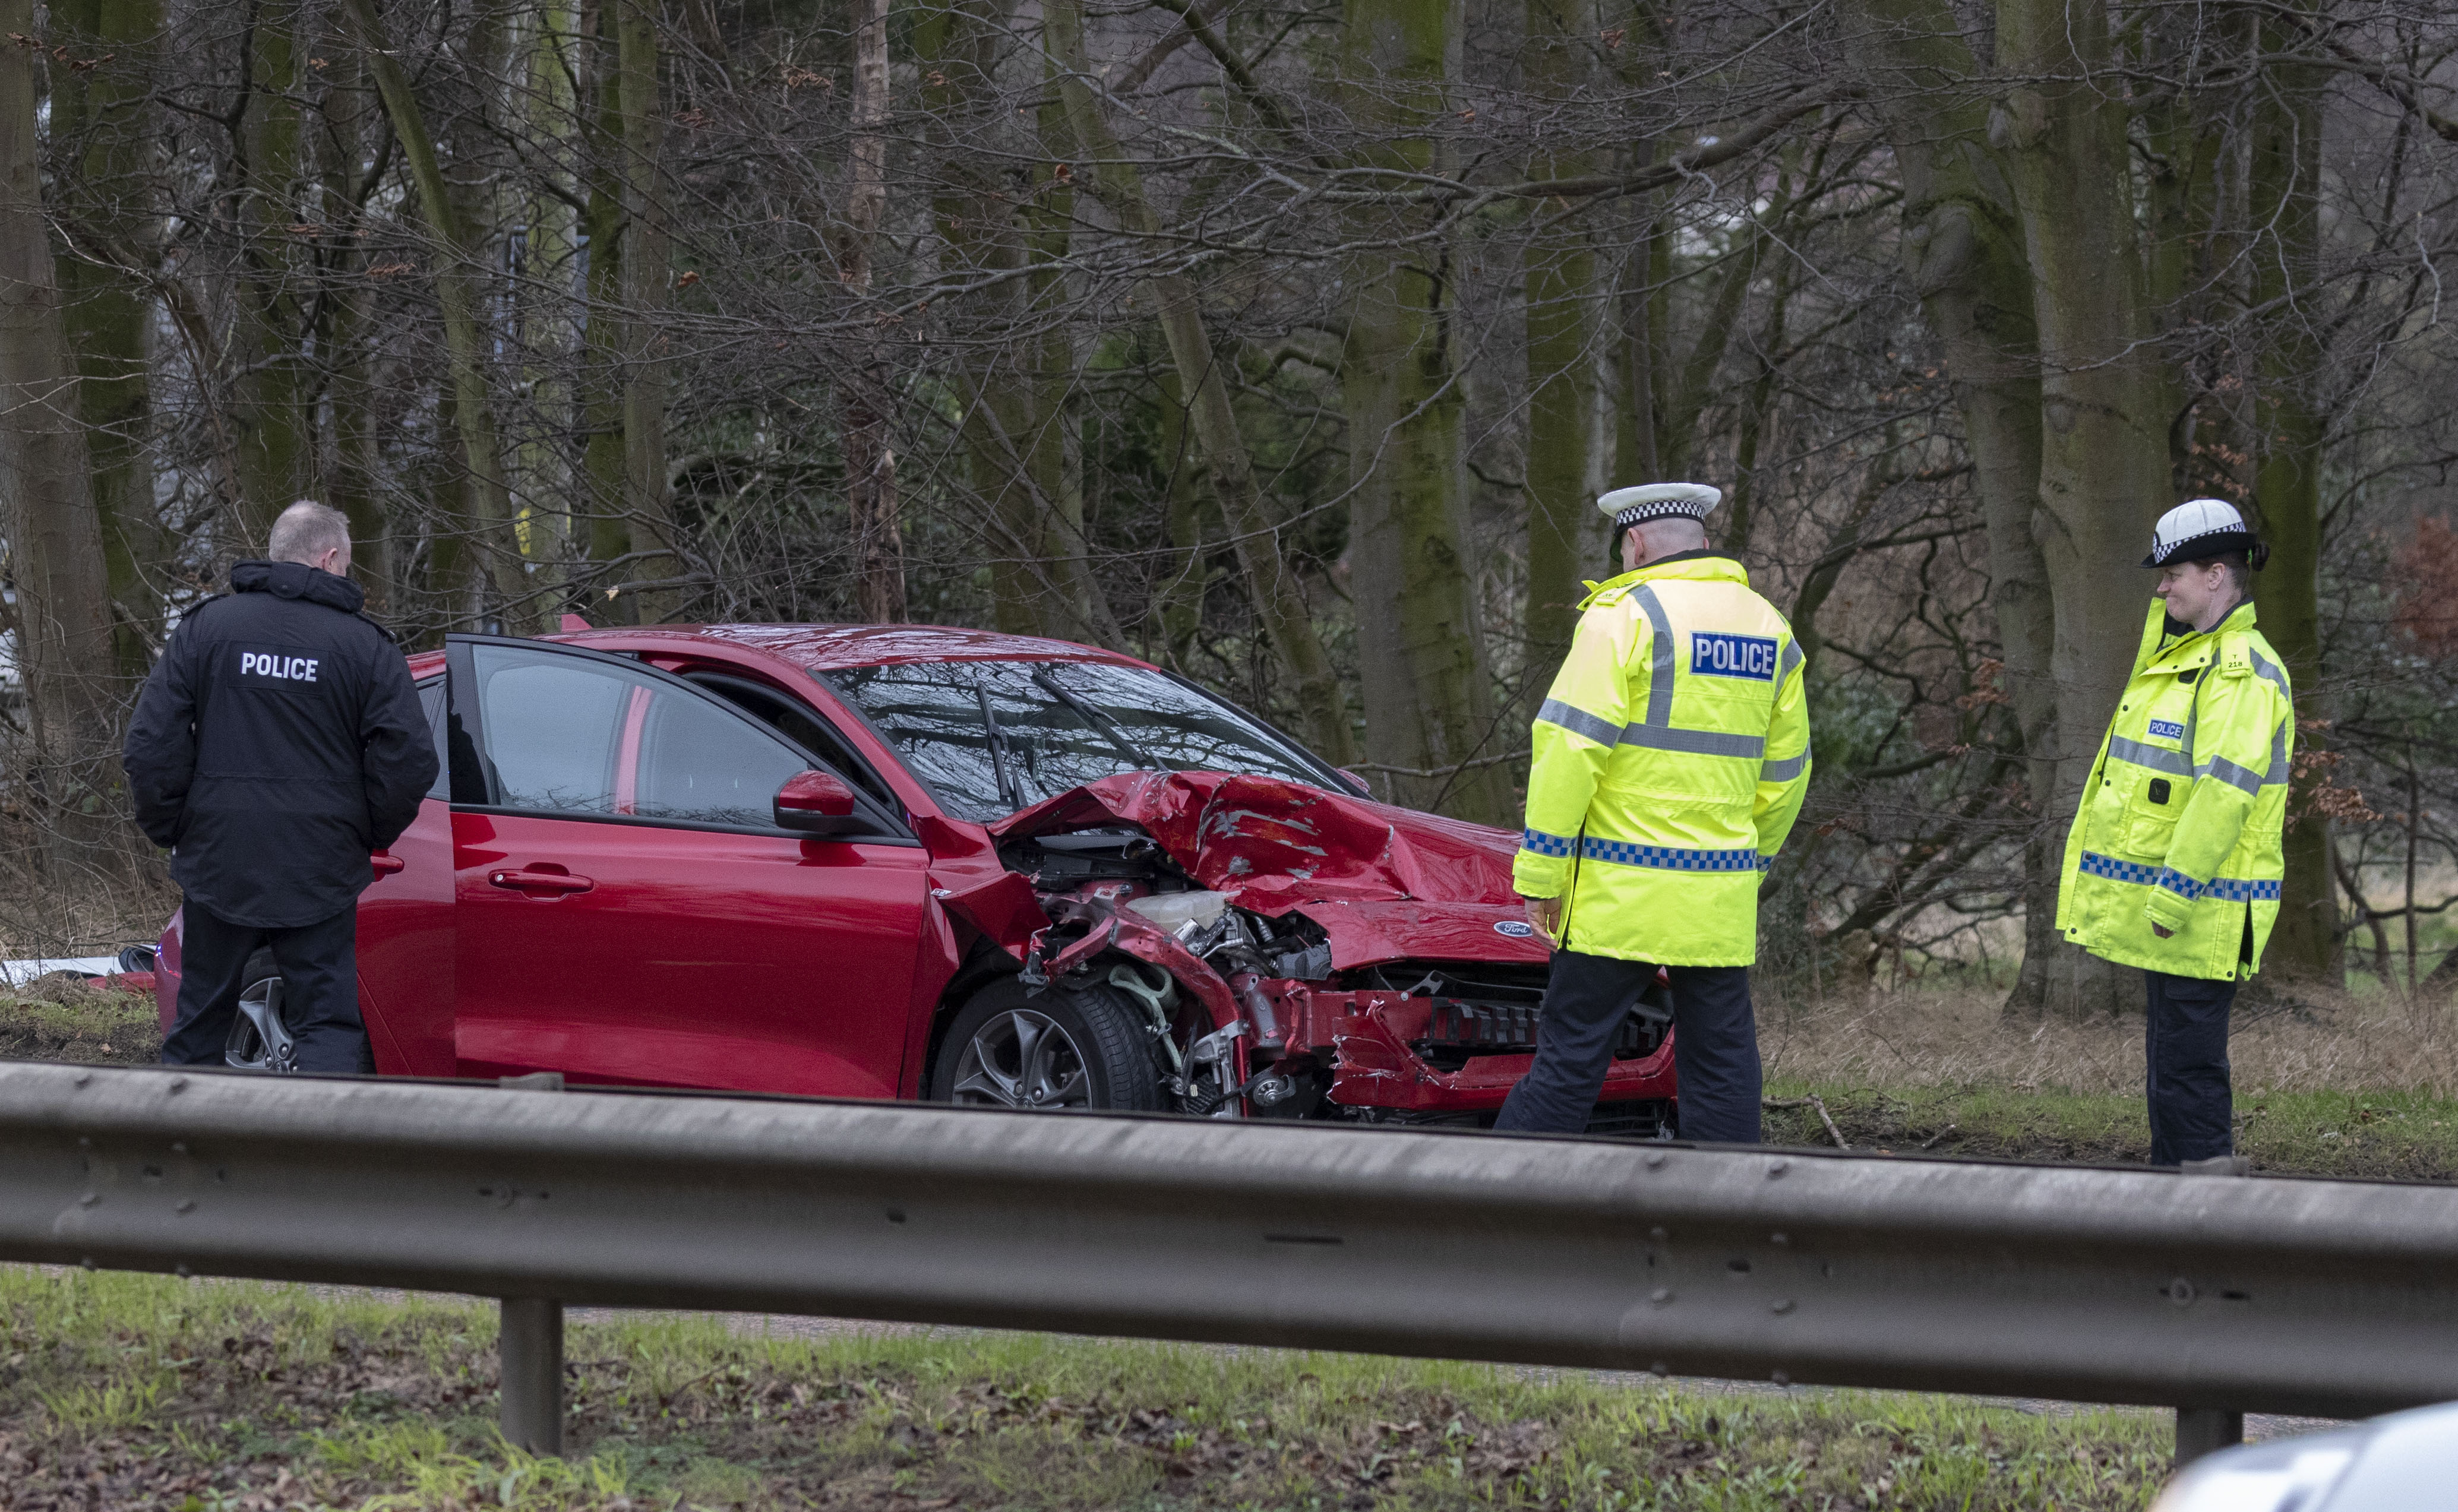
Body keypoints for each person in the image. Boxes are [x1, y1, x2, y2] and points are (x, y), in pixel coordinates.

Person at [1498, 482, 1812, 1141]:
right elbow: (1786, 773)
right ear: (1700, 540)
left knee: (1570, 1058)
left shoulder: (1624, 615)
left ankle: (1494, 1208)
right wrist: (1743, 865)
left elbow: (1569, 748)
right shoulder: (1768, 626)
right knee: (1722, 1061)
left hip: (1619, 894)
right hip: (1717, 896)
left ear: (1635, 543)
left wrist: (1540, 875)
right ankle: (1722, 1219)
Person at [124, 501, 438, 1073]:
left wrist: (175, 827)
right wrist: (365, 831)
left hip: (221, 859)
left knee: (198, 1027)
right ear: (331, 556)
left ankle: (183, 1155)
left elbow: (150, 747)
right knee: (328, 1025)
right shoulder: (364, 647)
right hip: (319, 866)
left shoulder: (207, 629)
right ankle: (316, 1157)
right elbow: (411, 759)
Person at [2058, 498, 2294, 1166]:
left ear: (2215, 574)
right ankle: (2175, 1219)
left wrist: (2168, 898)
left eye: (2172, 574)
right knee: (2170, 1069)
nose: (2160, 587)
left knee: (2187, 1074)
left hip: (2199, 910)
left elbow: (2222, 798)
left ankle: (2204, 1229)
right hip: (2184, 912)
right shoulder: (2190, 659)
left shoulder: (2238, 671)